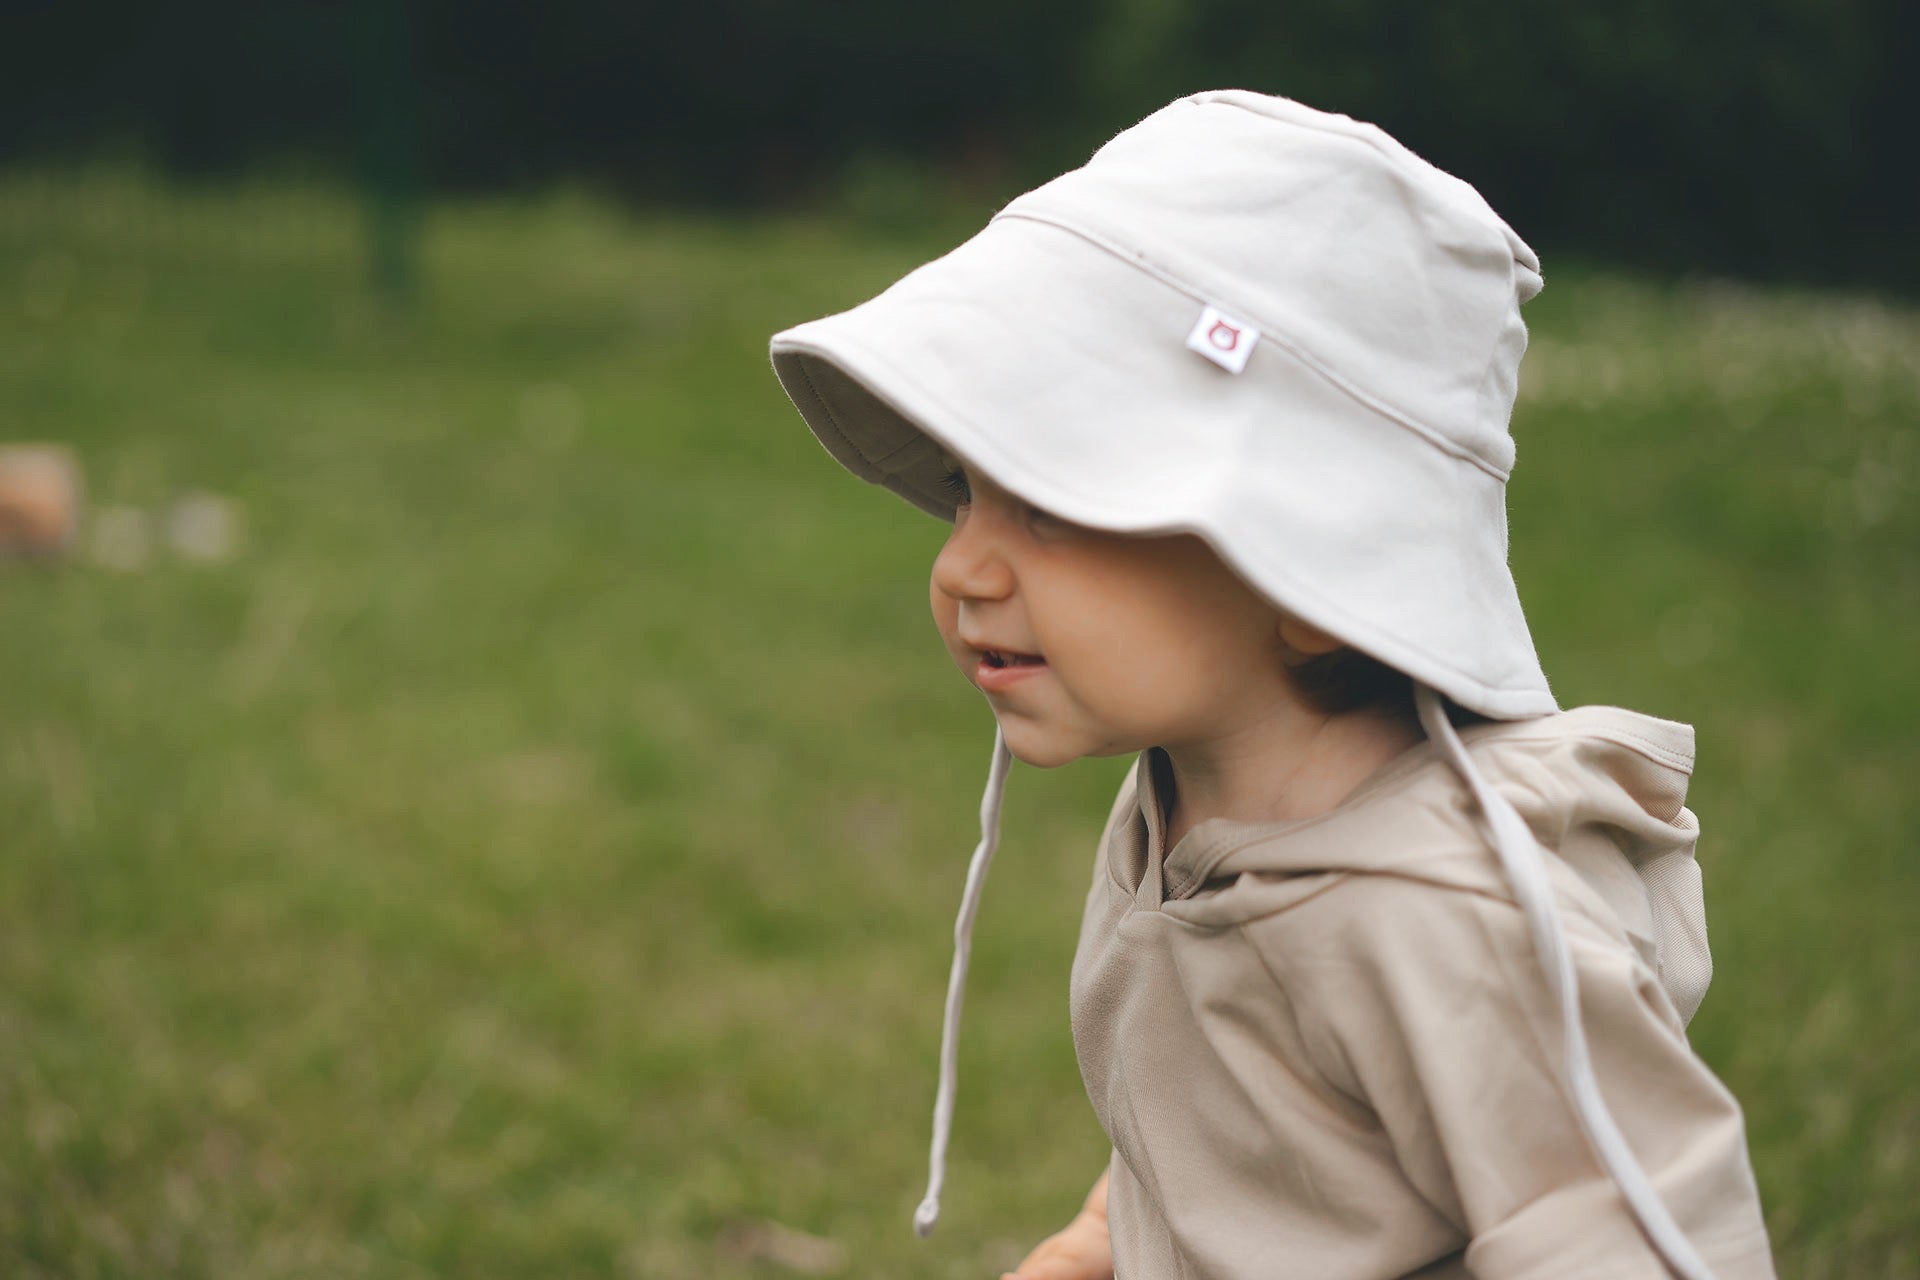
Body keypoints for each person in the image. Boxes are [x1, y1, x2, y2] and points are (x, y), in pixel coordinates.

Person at [766, 89, 1776, 1278]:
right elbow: (1238, 1121)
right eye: (965, 484)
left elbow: (1634, 1235)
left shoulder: (1450, 919)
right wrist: (1102, 1238)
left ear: (1309, 567)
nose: (961, 561)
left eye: (1048, 501)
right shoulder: (1191, 803)